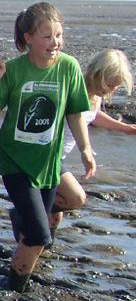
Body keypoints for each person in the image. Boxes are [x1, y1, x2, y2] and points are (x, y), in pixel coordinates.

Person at [0, 2, 95, 292]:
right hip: (15, 162)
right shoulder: (15, 70)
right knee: (39, 235)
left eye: (59, 35)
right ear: (28, 38)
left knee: (35, 233)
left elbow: (75, 113)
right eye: (47, 36)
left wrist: (85, 149)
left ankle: (17, 270)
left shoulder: (69, 67)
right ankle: (14, 289)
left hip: (49, 163)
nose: (55, 43)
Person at [48, 49, 134, 236]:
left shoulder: (96, 95)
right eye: (108, 84)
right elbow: (76, 114)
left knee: (56, 217)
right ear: (97, 73)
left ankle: (44, 248)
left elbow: (93, 116)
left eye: (114, 87)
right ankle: (28, 210)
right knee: (76, 198)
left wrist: (127, 128)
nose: (110, 90)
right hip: (47, 154)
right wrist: (85, 149)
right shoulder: (74, 88)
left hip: (59, 157)